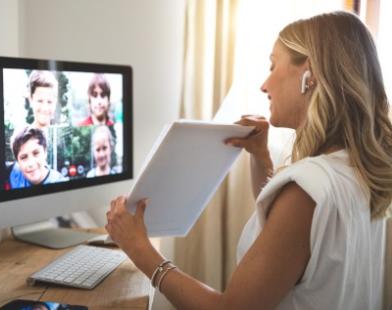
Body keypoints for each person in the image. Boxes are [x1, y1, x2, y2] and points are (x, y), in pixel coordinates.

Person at [105, 11, 392, 309]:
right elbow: (289, 236)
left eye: (273, 65)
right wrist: (260, 156)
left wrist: (142, 251)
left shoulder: (306, 191)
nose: (264, 85)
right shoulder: (357, 169)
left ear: (310, 74)